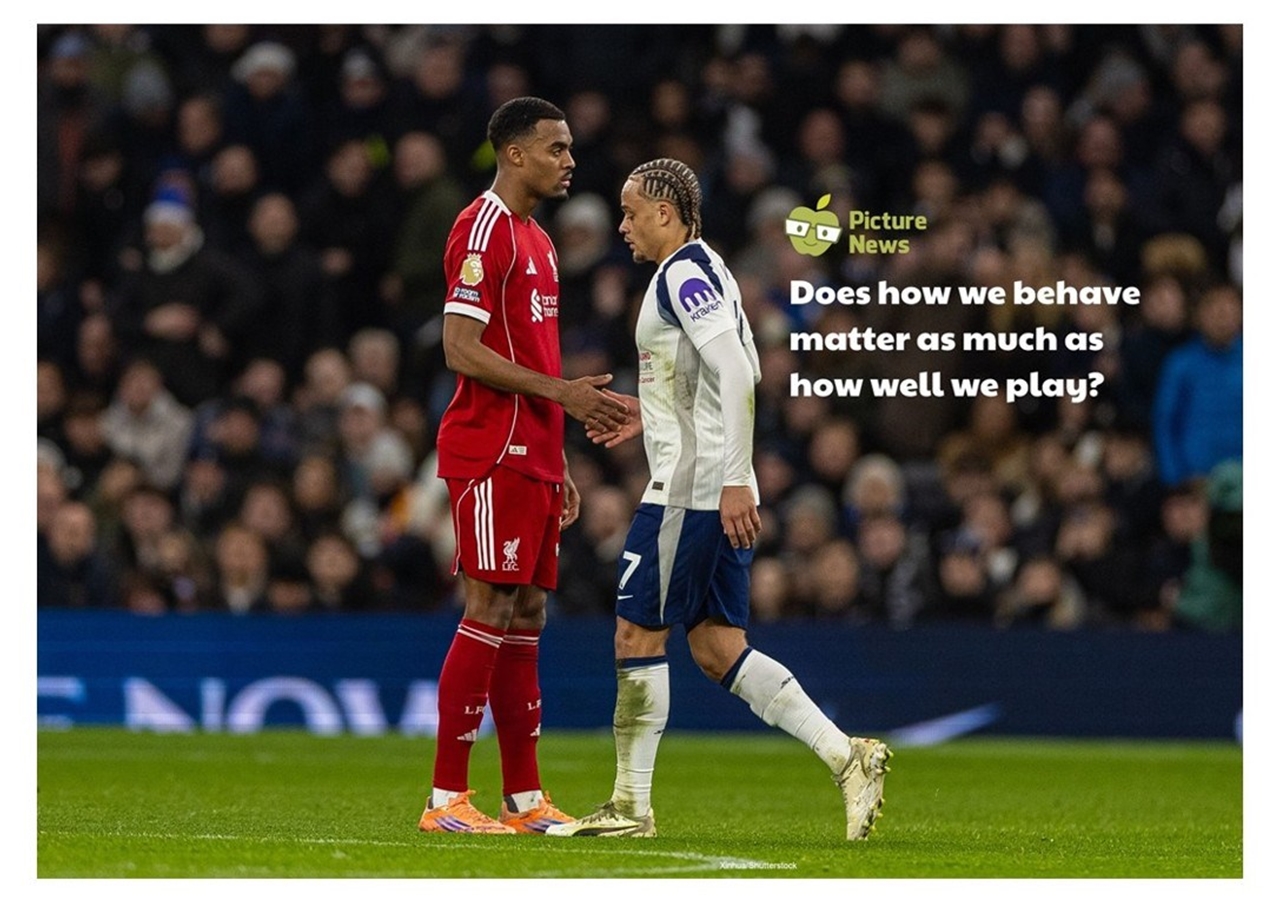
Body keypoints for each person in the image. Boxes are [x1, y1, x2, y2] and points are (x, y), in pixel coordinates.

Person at [546, 158, 890, 842]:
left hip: (693, 491)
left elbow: (736, 370)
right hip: (710, 483)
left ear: (665, 213)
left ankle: (630, 807)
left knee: (636, 635)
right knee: (717, 647)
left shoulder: (681, 274)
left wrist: (733, 477)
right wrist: (654, 411)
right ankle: (847, 757)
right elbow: (733, 365)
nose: (623, 226)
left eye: (631, 213)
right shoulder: (709, 269)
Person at [416, 96, 630, 836]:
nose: (570, 161)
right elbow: (459, 348)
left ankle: (523, 800)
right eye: (556, 148)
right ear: (514, 153)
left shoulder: (538, 240)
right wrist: (563, 396)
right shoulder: (481, 229)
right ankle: (446, 799)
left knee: (528, 613)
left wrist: (555, 450)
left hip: (533, 450)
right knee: (488, 605)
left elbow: (530, 352)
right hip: (489, 448)